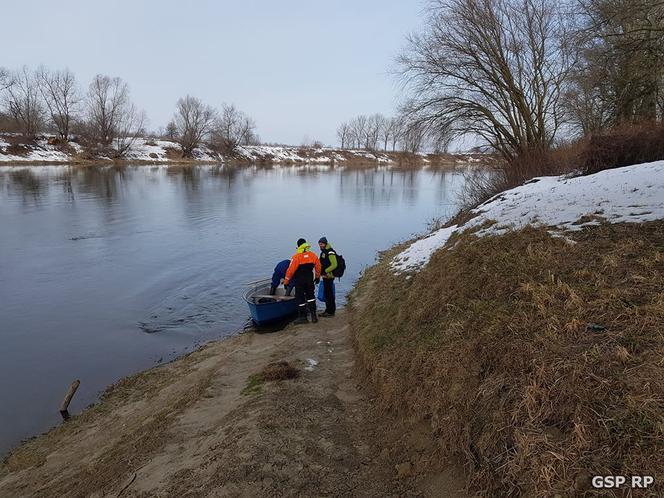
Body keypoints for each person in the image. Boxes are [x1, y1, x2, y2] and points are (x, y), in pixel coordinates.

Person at [284, 238, 321, 324]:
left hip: (300, 280)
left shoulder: (296, 257)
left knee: (300, 298)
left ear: (298, 246)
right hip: (309, 279)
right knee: (311, 297)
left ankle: (303, 318)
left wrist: (286, 282)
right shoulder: (313, 255)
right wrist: (317, 277)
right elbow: (318, 266)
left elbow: (290, 271)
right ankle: (314, 317)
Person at [317, 236, 337, 317]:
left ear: (325, 243)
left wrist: (325, 271)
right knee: (327, 294)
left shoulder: (330, 252)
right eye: (319, 244)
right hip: (325, 276)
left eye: (321, 244)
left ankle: (331, 312)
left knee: (329, 294)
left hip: (329, 276)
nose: (320, 245)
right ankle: (328, 310)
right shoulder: (323, 252)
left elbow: (334, 265)